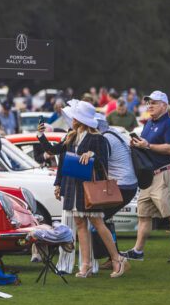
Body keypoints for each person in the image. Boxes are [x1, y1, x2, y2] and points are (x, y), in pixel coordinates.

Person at [37, 101, 128, 277]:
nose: (71, 118)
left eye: (75, 116)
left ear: (81, 119)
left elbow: (103, 161)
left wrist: (91, 155)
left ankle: (117, 259)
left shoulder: (98, 138)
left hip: (89, 187)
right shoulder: (70, 136)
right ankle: (85, 265)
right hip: (73, 185)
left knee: (97, 223)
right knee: (79, 224)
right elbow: (54, 150)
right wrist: (41, 135)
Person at [123, 91, 170, 263]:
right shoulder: (148, 124)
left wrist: (148, 145)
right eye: (148, 103)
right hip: (149, 176)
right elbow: (147, 147)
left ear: (164, 105)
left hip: (165, 173)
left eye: (154, 103)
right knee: (143, 215)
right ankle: (138, 251)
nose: (150, 106)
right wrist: (138, 144)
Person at [95, 112, 139, 269]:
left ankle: (114, 258)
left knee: (97, 218)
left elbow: (101, 165)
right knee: (104, 219)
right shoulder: (115, 133)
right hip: (130, 184)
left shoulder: (104, 138)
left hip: (121, 185)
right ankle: (113, 255)